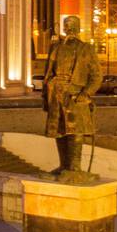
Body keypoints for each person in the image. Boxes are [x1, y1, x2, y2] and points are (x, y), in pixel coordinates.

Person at [42, 16, 103, 180]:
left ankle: (75, 168)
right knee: (59, 131)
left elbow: (97, 76)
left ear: (77, 28)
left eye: (72, 26)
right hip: (56, 94)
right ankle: (64, 165)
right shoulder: (55, 47)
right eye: (66, 26)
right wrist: (46, 95)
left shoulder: (86, 49)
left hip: (75, 95)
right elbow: (48, 73)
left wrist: (86, 94)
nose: (69, 29)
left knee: (76, 131)